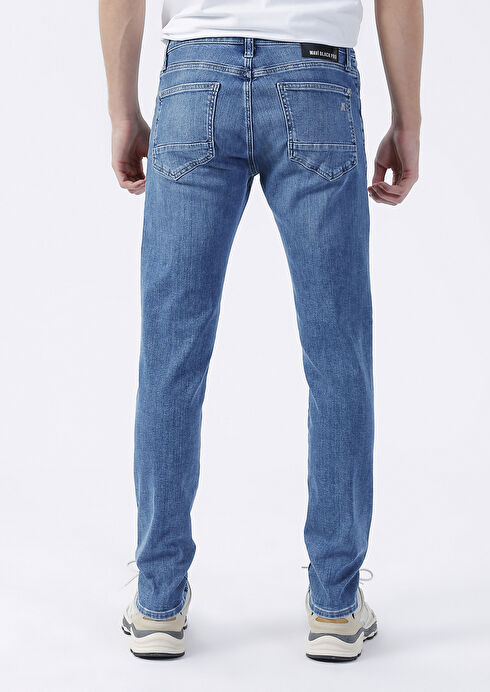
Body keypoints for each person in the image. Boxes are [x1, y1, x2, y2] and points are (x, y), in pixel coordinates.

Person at [100, 0, 423, 662]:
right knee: (338, 355)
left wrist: (122, 112)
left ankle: (158, 603)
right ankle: (335, 607)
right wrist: (407, 119)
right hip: (318, 81)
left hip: (194, 80)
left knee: (171, 356)